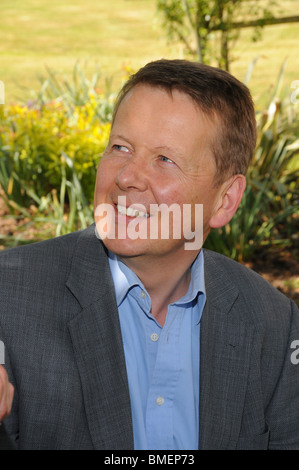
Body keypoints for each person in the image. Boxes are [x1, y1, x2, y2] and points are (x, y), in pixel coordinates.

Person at [0, 59, 298, 450]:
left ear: (225, 201)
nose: (126, 177)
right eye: (120, 147)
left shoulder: (274, 325)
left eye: (164, 159)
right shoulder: (10, 298)